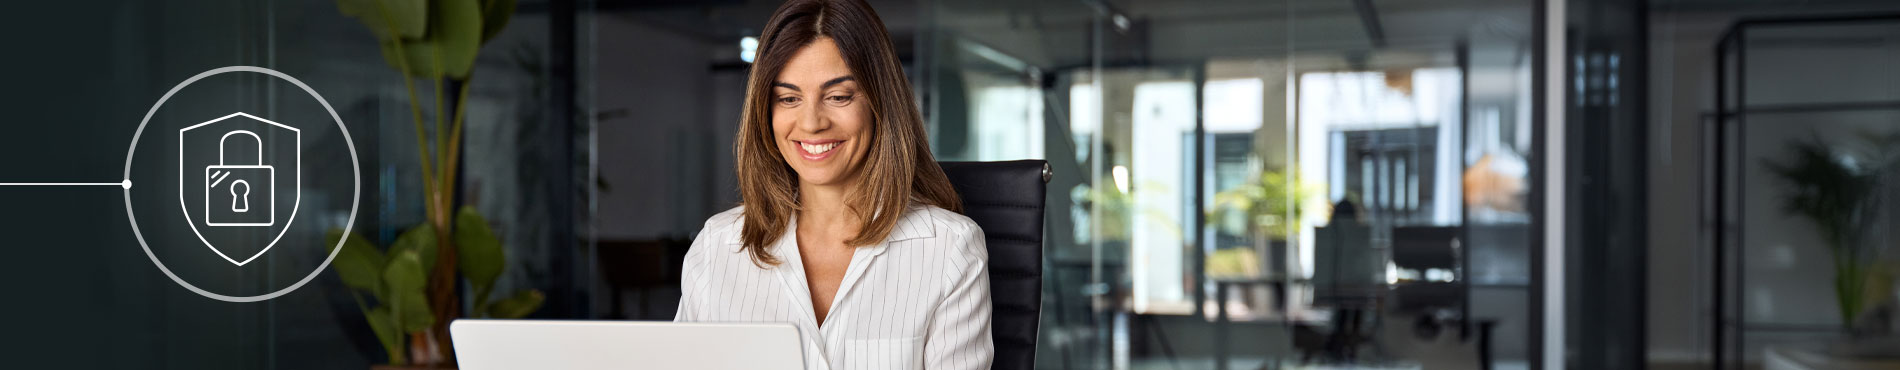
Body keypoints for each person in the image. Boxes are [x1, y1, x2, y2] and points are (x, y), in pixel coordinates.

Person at [672, 0, 993, 369]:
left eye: (838, 96)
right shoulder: (717, 248)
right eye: (789, 98)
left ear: (879, 104)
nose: (811, 123)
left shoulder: (950, 249)